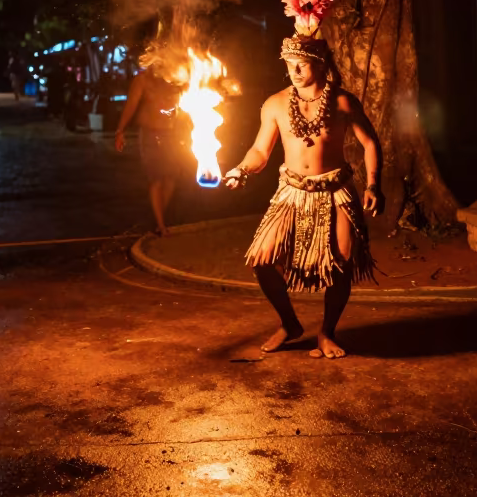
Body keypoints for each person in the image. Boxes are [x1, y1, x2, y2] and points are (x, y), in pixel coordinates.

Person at [223, 35, 384, 360]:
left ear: (320, 64)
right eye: (289, 64)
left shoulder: (342, 102)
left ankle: (327, 332)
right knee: (264, 261)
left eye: (302, 64)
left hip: (335, 190)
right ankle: (290, 324)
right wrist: (240, 169)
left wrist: (372, 185)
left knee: (340, 263)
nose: (294, 70)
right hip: (291, 192)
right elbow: (259, 151)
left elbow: (370, 143)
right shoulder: (275, 104)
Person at [115, 61, 185, 236]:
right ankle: (161, 224)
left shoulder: (176, 79)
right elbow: (131, 105)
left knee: (171, 178)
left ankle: (158, 216)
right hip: (150, 134)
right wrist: (120, 130)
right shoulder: (142, 80)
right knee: (156, 178)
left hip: (172, 135)